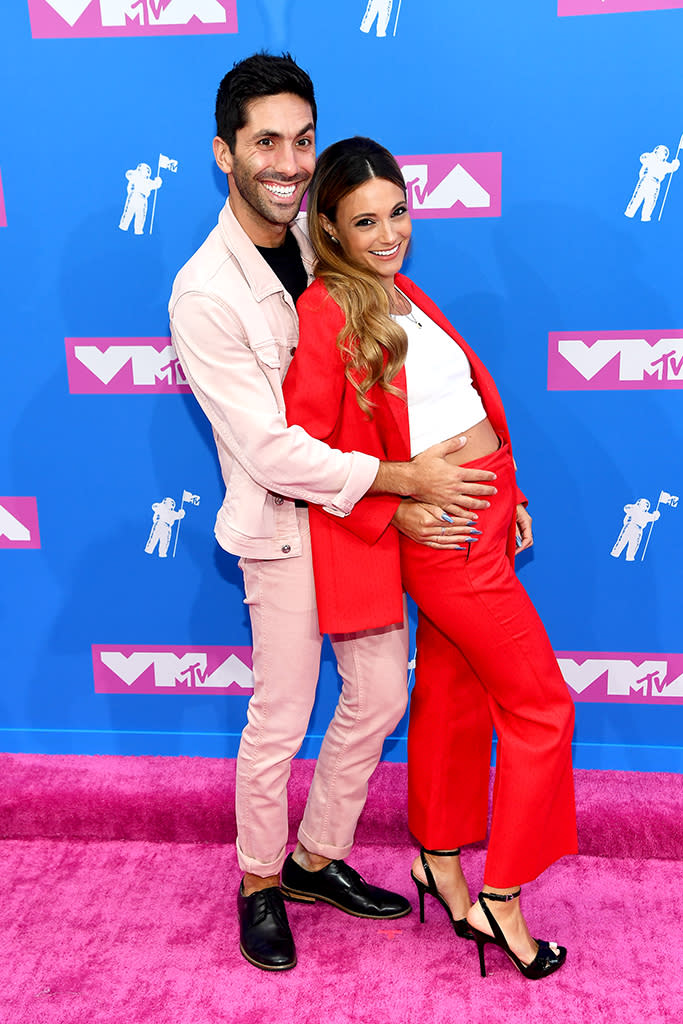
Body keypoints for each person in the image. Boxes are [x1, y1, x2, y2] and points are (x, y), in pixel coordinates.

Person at [168, 55, 497, 973]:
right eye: (265, 141)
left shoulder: (327, 240)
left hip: (359, 523)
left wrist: (469, 481)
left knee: (381, 694)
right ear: (224, 154)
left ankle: (317, 857)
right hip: (286, 524)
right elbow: (272, 449)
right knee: (280, 713)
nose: (289, 159)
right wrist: (404, 480)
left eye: (302, 140)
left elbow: (392, 374)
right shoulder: (204, 292)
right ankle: (259, 880)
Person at [283, 136, 578, 980]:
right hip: (444, 540)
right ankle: (503, 896)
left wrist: (508, 489)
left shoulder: (398, 290)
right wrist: (395, 507)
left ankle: (438, 860)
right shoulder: (327, 310)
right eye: (364, 221)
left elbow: (456, 401)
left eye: (398, 213)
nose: (387, 233)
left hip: (482, 517)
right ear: (329, 230)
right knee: (541, 709)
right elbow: (304, 446)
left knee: (451, 697)